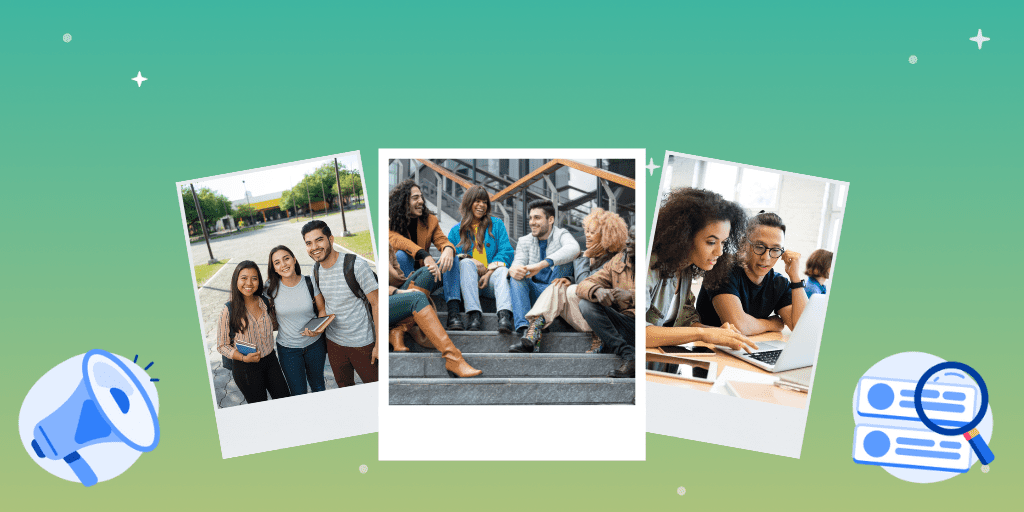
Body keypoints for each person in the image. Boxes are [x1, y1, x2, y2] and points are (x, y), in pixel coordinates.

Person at [646, 188, 758, 355]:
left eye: (724, 242)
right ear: (684, 236)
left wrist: (719, 334)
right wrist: (704, 334)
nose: (720, 252)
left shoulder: (685, 271)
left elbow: (686, 321)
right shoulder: (648, 266)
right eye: (711, 242)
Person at [509, 207, 628, 354]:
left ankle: (599, 337)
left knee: (572, 289)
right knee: (558, 285)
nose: (588, 236)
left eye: (593, 232)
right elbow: (578, 281)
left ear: (607, 235)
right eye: (587, 231)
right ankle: (534, 332)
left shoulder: (615, 260)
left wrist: (584, 259)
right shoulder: (583, 256)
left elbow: (586, 283)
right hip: (580, 316)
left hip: (603, 319)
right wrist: (568, 279)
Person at [695, 211, 808, 336]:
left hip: (749, 348)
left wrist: (795, 278)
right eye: (759, 247)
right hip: (709, 351)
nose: (766, 257)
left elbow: (801, 328)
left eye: (775, 250)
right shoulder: (722, 269)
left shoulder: (779, 283)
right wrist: (771, 324)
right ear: (744, 244)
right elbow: (738, 326)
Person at [302, 220, 379, 387]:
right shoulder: (315, 271)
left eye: (319, 240)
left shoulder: (356, 265)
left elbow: (377, 304)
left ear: (331, 239)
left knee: (374, 389)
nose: (314, 247)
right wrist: (317, 329)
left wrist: (378, 345)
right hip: (334, 344)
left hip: (362, 343)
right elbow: (322, 309)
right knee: (344, 388)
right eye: (309, 243)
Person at [388, 247, 483, 378]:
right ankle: (453, 358)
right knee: (418, 297)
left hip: (393, 295)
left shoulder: (386, 246)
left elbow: (398, 278)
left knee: (429, 271)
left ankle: (398, 330)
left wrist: (449, 249)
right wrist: (398, 292)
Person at [388, 179, 464, 330]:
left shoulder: (430, 220)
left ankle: (454, 312)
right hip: (403, 280)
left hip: (428, 274)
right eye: (415, 198)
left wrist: (448, 248)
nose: (421, 201)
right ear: (403, 201)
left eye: (421, 197)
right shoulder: (390, 221)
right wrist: (423, 254)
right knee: (403, 255)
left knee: (452, 258)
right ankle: (408, 309)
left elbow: (442, 241)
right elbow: (397, 241)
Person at [507, 200, 581, 345]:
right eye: (530, 218)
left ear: (551, 219)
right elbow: (518, 263)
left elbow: (574, 248)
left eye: (537, 217)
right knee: (516, 277)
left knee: (564, 259)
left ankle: (538, 324)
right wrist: (513, 270)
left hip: (557, 293)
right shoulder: (524, 241)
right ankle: (525, 329)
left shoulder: (561, 235)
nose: (532, 222)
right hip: (537, 292)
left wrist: (541, 265)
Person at [216, 261, 291, 403]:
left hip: (270, 360)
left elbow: (275, 325)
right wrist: (244, 358)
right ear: (236, 280)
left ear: (259, 281)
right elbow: (221, 345)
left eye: (254, 278)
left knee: (284, 398)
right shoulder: (228, 309)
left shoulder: (265, 302)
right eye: (244, 278)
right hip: (245, 367)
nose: (249, 283)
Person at [265, 245, 334, 395]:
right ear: (274, 269)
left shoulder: (310, 282)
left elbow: (322, 310)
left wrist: (318, 330)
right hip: (288, 350)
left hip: (315, 346)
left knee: (319, 387)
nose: (283, 265)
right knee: (298, 393)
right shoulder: (270, 289)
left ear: (294, 260)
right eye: (277, 263)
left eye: (286, 259)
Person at [445, 185, 515, 332]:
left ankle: (504, 316)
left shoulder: (496, 224)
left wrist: (489, 271)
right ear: (468, 203)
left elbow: (506, 251)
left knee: (502, 270)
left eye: (484, 202)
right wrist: (470, 258)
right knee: (465, 264)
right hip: (468, 283)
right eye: (477, 201)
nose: (481, 205)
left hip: (490, 282)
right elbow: (450, 255)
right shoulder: (455, 231)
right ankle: (474, 315)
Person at [578, 225, 637, 377]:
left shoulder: (655, 263)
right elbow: (583, 284)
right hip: (623, 323)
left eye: (634, 238)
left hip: (647, 328)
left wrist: (631, 296)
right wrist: (597, 291)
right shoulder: (618, 260)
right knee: (586, 304)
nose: (628, 242)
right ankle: (629, 354)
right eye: (629, 237)